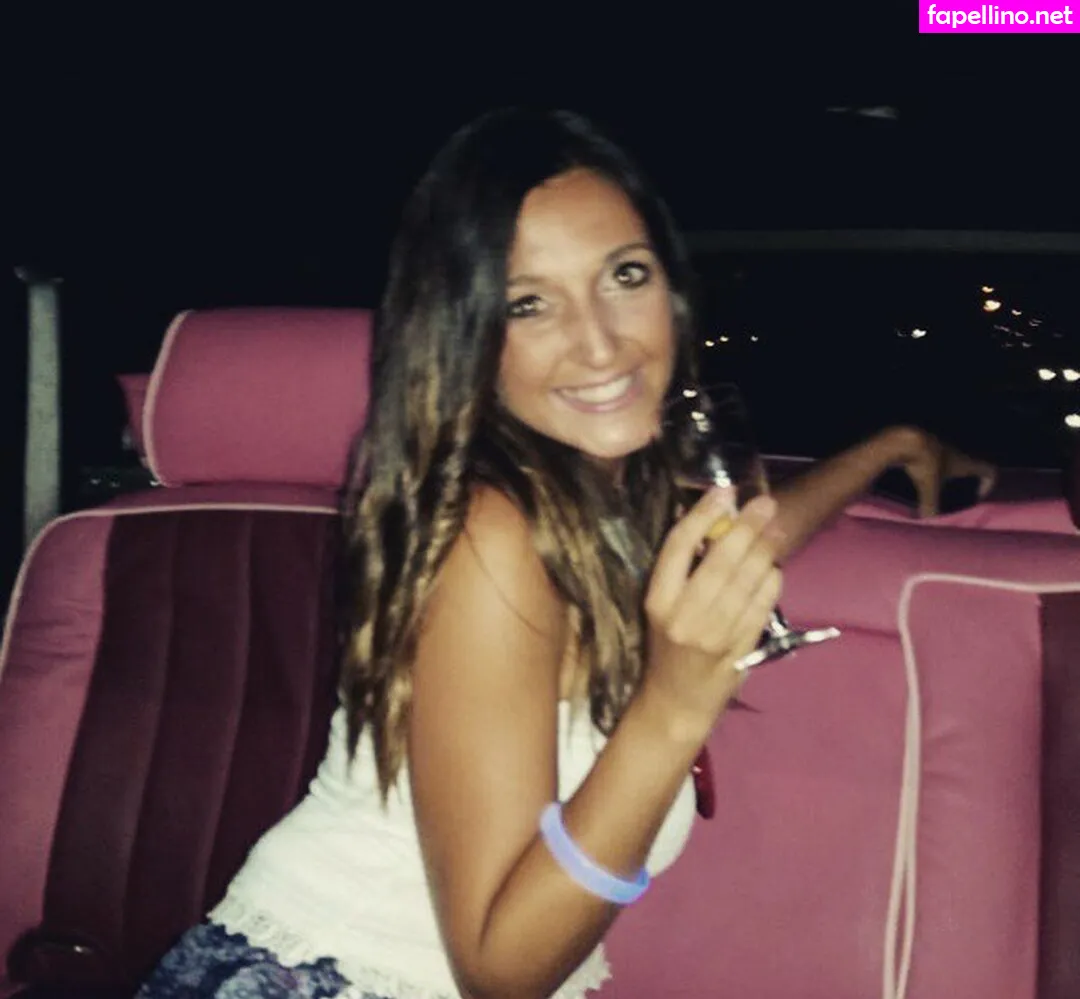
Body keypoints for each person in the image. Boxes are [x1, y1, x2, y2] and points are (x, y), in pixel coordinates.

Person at [136, 108, 995, 999]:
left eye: (625, 275)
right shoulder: (489, 536)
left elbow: (750, 533)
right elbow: (499, 968)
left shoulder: (602, 496)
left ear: (672, 288)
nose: (599, 341)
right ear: (467, 334)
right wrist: (673, 704)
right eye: (529, 303)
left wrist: (887, 447)